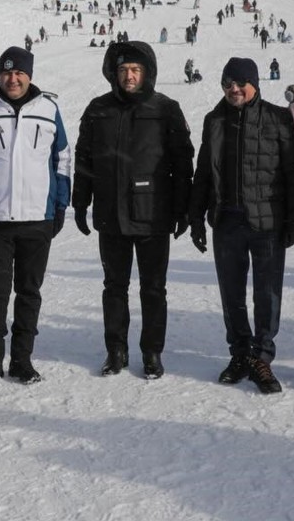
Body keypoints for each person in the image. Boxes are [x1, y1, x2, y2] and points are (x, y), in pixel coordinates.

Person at [74, 41, 194, 379]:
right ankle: (116, 350)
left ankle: (152, 352)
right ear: (114, 72)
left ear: (147, 73)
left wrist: (183, 207)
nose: (129, 75)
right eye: (124, 69)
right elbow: (84, 159)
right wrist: (80, 201)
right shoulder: (98, 109)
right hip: (111, 215)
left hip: (153, 214)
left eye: (136, 70)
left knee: (153, 288)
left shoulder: (166, 108)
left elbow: (183, 162)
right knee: (114, 287)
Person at [187, 57, 294, 394]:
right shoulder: (215, 120)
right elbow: (204, 173)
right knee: (231, 294)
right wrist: (196, 217)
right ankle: (239, 353)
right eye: (227, 83)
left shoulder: (278, 119)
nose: (233, 89)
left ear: (254, 84)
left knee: (267, 294)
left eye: (239, 83)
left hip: (267, 223)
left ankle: (261, 356)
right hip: (227, 222)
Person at [0, 47, 71, 387]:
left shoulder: (48, 110)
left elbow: (63, 159)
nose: (13, 78)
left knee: (29, 292)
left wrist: (59, 206)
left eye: (19, 72)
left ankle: (22, 361)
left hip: (37, 220)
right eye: (6, 72)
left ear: (29, 74)